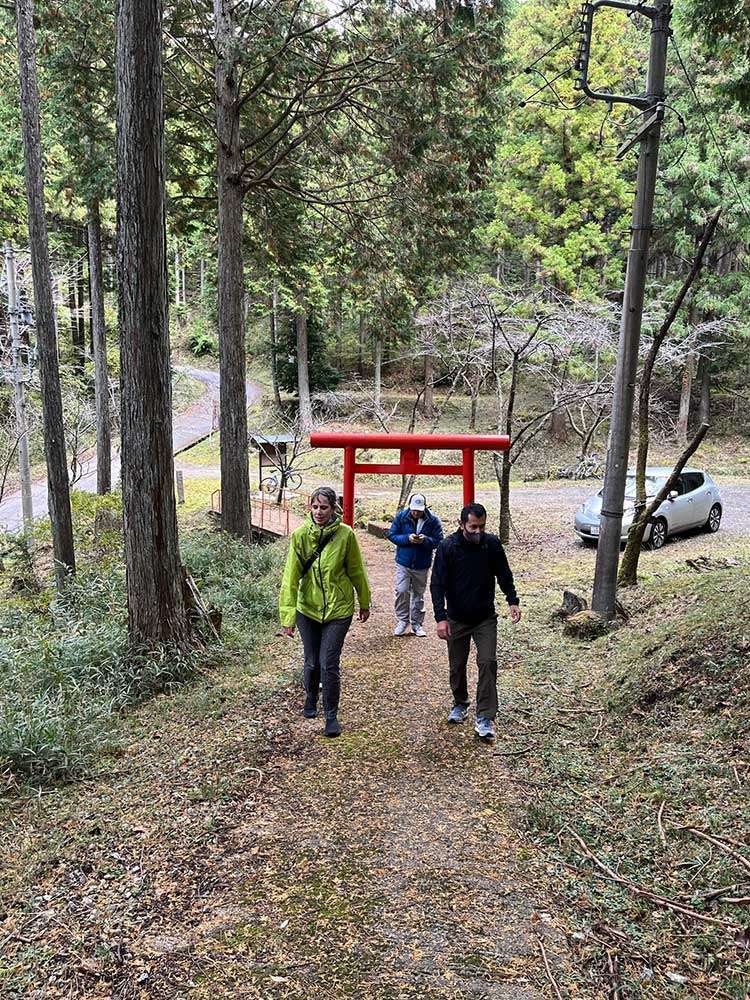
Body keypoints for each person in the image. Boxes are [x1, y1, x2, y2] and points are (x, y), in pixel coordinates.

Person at [279, 486, 371, 737]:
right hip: (307, 609)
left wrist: (364, 600)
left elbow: (356, 570)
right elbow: (290, 577)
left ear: (333, 509)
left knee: (329, 663)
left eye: (324, 507)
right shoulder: (299, 536)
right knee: (311, 662)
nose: (319, 512)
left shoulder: (345, 535)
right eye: (315, 507)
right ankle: (310, 697)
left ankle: (331, 714)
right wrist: (287, 616)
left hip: (338, 610)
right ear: (310, 507)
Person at [430, 502, 521, 741]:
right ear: (461, 525)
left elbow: (504, 573)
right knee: (457, 666)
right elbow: (437, 584)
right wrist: (441, 618)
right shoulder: (447, 547)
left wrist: (512, 600)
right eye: (473, 527)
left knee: (488, 662)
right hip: (457, 618)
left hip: (484, 617)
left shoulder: (491, 544)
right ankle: (460, 702)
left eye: (481, 527)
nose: (478, 532)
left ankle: (485, 716)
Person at [387, 492, 443, 637]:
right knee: (401, 590)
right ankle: (402, 620)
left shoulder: (433, 520)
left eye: (418, 510)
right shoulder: (401, 517)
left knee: (419, 594)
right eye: (413, 509)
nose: (416, 512)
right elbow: (392, 535)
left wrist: (425, 540)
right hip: (403, 562)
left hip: (422, 564)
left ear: (424, 508)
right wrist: (407, 538)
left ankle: (417, 624)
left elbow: (439, 540)